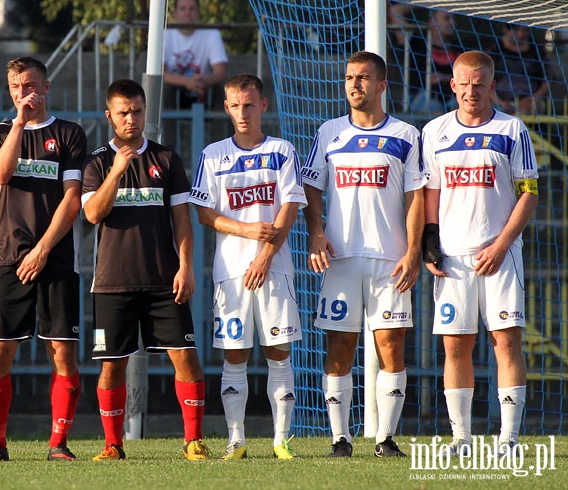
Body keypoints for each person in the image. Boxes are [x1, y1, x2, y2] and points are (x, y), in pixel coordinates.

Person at [301, 51, 426, 458]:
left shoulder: (406, 134)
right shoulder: (329, 132)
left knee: (391, 345)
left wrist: (412, 251)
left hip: (389, 261)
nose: (355, 84)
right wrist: (316, 233)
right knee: (339, 346)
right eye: (350, 77)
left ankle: (385, 438)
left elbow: (415, 197)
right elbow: (312, 188)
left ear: (382, 85)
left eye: (364, 78)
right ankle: (340, 439)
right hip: (341, 259)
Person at [83, 78, 209, 462]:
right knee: (112, 365)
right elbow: (92, 214)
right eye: (123, 113)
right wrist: (117, 171)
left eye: (137, 111)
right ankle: (113, 443)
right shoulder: (97, 162)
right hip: (112, 283)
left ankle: (193, 441)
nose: (131, 119)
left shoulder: (166, 159)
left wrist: (185, 267)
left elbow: (182, 222)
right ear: (109, 116)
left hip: (162, 281)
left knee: (185, 357)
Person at [421, 50, 538, 458]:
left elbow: (529, 193)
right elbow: (430, 191)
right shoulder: (434, 131)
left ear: (492, 86)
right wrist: (429, 239)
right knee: (456, 345)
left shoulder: (512, 129)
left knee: (506, 342)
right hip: (453, 260)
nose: (471, 91)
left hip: (501, 256)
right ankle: (461, 438)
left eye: (479, 83)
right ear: (452, 85)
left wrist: (502, 244)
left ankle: (508, 438)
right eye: (464, 84)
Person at [189, 73, 306, 461]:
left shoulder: (282, 150)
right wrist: (246, 229)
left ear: (263, 106)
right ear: (226, 107)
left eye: (250, 104)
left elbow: (290, 206)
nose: (243, 112)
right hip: (231, 273)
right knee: (234, 354)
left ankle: (281, 440)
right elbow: (205, 214)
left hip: (273, 268)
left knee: (278, 351)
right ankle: (236, 440)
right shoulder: (213, 154)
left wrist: (266, 254)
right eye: (236, 105)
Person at [0, 56, 86, 462]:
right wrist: (19, 124)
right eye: (18, 87)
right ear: (10, 92)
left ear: (46, 86)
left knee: (62, 350)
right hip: (7, 257)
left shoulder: (69, 133)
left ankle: (58, 443)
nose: (26, 93)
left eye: (32, 85)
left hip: (55, 258)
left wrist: (42, 249)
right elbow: (1, 176)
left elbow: (72, 199)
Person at [163, 0, 228, 108]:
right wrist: (185, 81)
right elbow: (159, 73)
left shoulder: (212, 34)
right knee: (164, 89)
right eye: (183, 9)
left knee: (223, 90)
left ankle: (220, 126)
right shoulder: (164, 35)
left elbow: (220, 72)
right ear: (175, 14)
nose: (187, 13)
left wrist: (202, 81)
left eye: (192, 9)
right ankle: (164, 127)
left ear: (199, 13)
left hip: (204, 87)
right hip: (175, 87)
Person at [407, 9, 462, 115]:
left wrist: (442, 77)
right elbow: (395, 12)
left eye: (453, 19)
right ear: (433, 22)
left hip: (452, 97)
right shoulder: (418, 44)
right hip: (423, 96)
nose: (452, 23)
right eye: (447, 18)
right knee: (435, 111)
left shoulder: (458, 48)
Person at [486, 23, 549, 114]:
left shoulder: (537, 50)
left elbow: (547, 80)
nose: (520, 35)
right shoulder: (494, 48)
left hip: (530, 103)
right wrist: (499, 102)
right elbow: (485, 78)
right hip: (497, 101)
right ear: (505, 29)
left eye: (524, 30)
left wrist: (533, 99)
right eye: (515, 30)